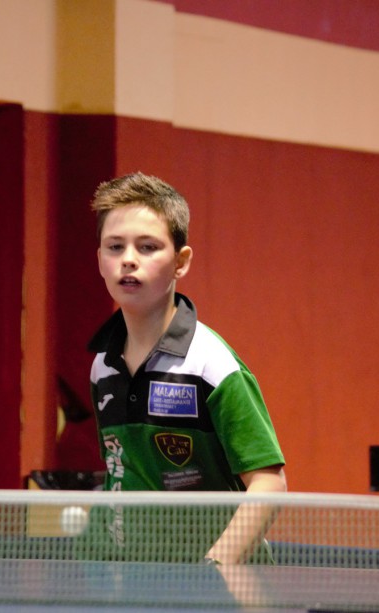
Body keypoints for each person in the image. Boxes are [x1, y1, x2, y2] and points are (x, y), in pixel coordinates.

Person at [85, 171, 286, 565]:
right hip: (131, 574)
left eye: (148, 247)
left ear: (181, 262)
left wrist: (216, 566)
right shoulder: (102, 367)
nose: (128, 259)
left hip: (216, 579)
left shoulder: (211, 364)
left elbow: (268, 482)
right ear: (100, 261)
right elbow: (120, 469)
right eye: (115, 247)